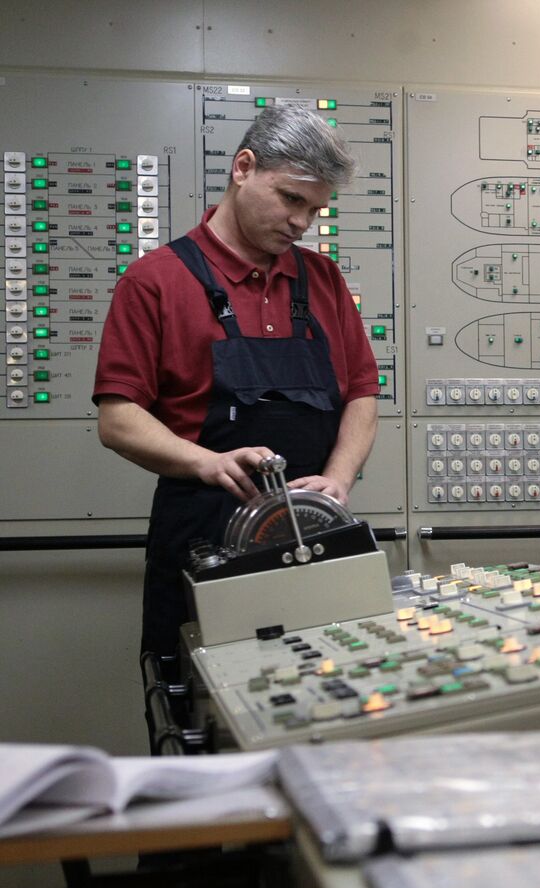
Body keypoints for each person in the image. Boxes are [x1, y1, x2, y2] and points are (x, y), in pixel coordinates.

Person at [93, 104, 380, 710]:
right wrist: (204, 461)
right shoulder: (156, 280)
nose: (302, 222)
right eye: (291, 200)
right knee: (202, 716)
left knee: (329, 706)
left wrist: (337, 479)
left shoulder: (323, 280)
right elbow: (118, 419)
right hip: (203, 541)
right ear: (243, 169)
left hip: (314, 541)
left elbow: (360, 393)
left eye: (315, 209)